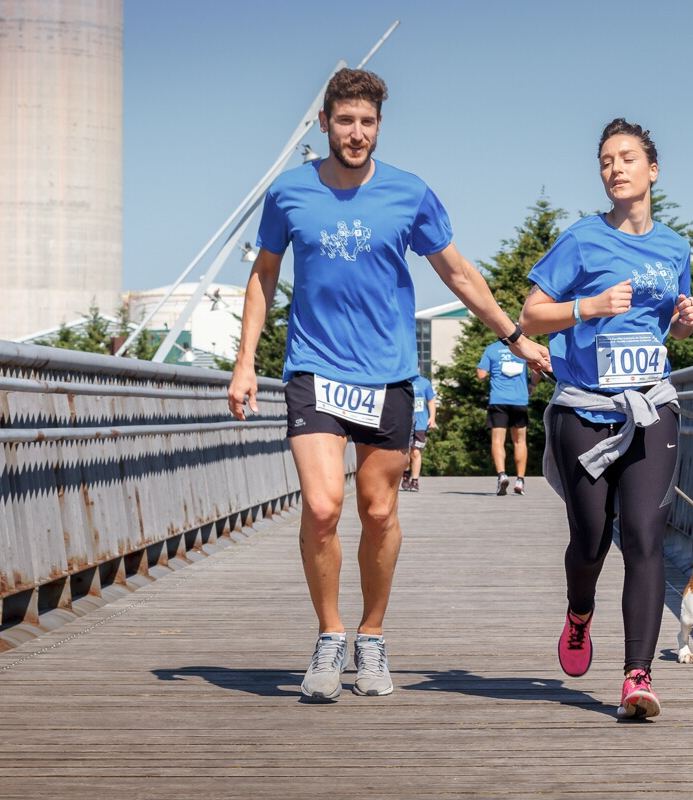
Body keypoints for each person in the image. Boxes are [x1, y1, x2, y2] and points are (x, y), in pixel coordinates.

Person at [227, 68, 550, 702]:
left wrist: (513, 335)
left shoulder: (410, 194)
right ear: (324, 124)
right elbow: (263, 276)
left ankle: (371, 637)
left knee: (379, 511)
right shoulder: (289, 193)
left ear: (379, 125)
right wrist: (244, 361)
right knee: (322, 508)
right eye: (344, 121)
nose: (356, 133)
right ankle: (329, 636)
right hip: (314, 371)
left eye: (367, 122)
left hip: (389, 377)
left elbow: (457, 275)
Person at [520, 118, 693, 719]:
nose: (615, 168)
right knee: (591, 540)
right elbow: (531, 315)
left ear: (653, 171)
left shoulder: (676, 248)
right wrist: (588, 307)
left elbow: (661, 324)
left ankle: (637, 678)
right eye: (605, 161)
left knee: (647, 539)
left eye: (626, 158)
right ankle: (579, 613)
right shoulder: (580, 240)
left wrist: (682, 322)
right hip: (585, 408)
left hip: (651, 405)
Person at [476, 339, 538, 495]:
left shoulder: (491, 349)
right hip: (519, 400)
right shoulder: (523, 347)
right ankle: (520, 480)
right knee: (520, 441)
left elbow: (481, 374)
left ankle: (502, 475)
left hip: (498, 400)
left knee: (497, 440)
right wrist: (533, 384)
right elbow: (537, 370)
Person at [401, 369, 436, 492]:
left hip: (421, 423)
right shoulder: (402, 382)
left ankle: (415, 481)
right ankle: (406, 474)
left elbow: (431, 400)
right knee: (405, 453)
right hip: (405, 422)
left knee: (416, 452)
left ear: (420, 368)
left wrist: (432, 417)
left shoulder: (424, 383)